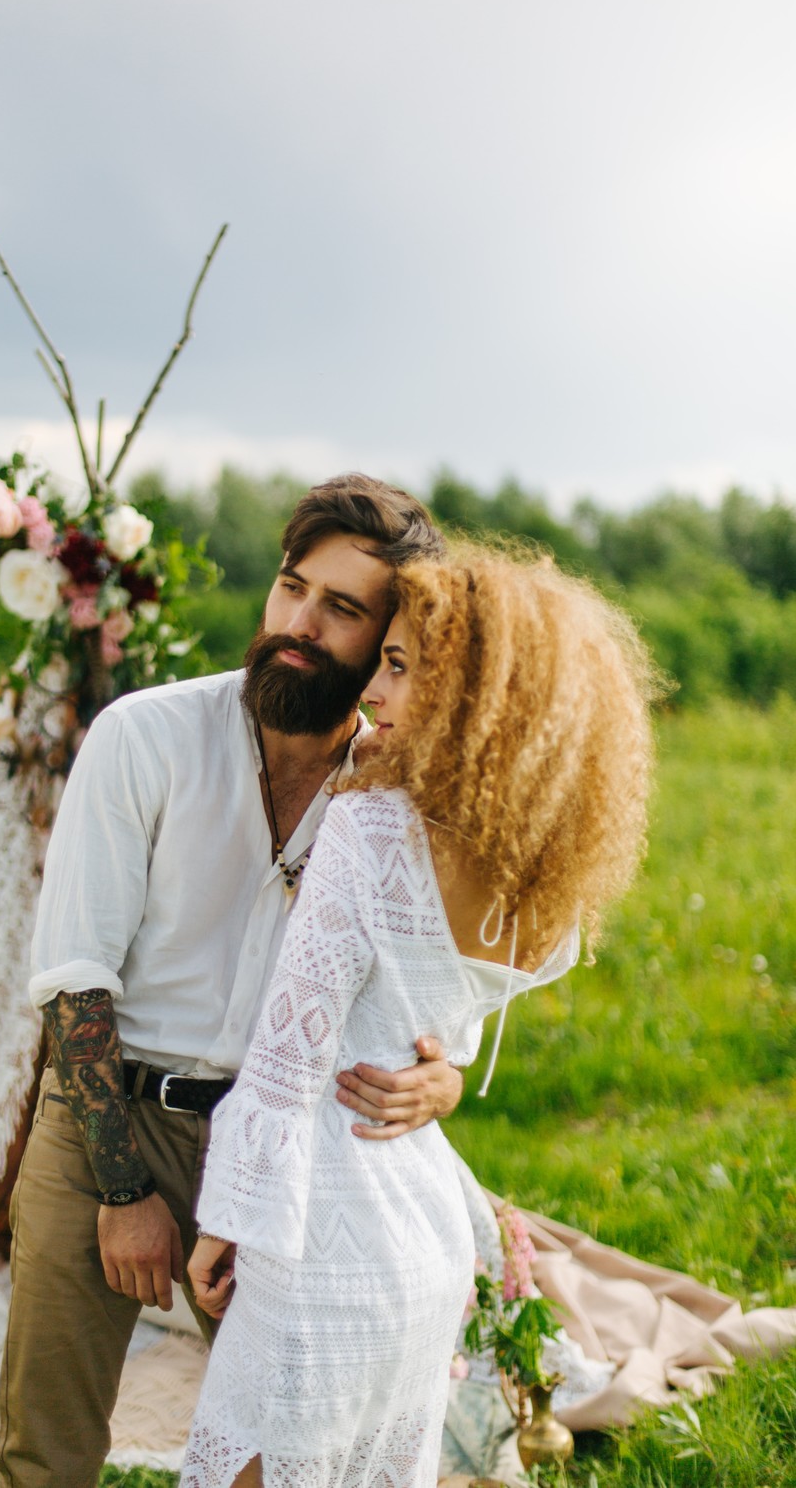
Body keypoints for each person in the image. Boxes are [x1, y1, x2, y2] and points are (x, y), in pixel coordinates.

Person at [0, 475, 461, 1488]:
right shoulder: (145, 735)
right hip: (103, 1118)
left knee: (284, 1450)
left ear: (391, 644)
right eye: (292, 587)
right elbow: (74, 985)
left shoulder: (401, 795)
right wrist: (122, 1193)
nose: (299, 623)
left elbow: (433, 988)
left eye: (342, 610)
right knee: (47, 1457)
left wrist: (444, 1078)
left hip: (284, 1150)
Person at [181, 542, 661, 1487]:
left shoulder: (369, 827)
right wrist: (438, 1077)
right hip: (428, 1233)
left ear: (477, 699)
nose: (378, 692)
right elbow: (449, 1033)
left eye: (402, 669)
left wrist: (224, 1225)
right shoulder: (547, 883)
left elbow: (286, 1066)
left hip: (318, 1227)